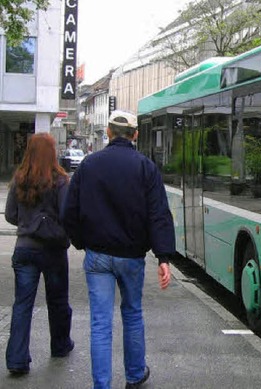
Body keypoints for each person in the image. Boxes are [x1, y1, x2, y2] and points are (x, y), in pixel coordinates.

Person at [62, 110, 175, 389]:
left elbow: (68, 212)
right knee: (133, 313)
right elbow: (158, 213)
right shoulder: (145, 167)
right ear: (135, 135)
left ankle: (102, 384)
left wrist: (81, 241)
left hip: (97, 255)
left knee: (100, 323)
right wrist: (163, 257)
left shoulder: (89, 165)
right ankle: (135, 375)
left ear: (108, 133)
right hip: (132, 256)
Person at [4, 133, 74, 375]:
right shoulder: (61, 180)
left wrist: (27, 222)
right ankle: (60, 345)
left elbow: (10, 215)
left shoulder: (20, 178)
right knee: (57, 301)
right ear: (52, 153)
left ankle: (16, 360)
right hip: (53, 250)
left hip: (24, 249)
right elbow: (67, 214)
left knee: (22, 304)